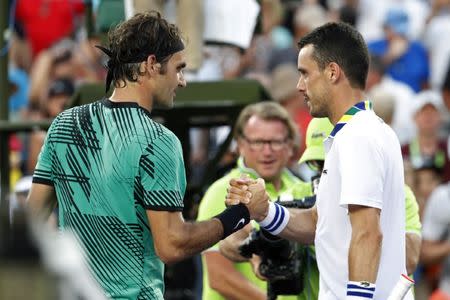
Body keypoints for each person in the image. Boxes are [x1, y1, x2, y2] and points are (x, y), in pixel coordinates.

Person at [26, 11, 257, 299]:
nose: (182, 81)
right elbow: (172, 244)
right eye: (178, 68)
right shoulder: (158, 142)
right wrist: (240, 214)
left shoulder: (64, 124)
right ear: (151, 64)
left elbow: (30, 222)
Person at [226, 22, 412, 299]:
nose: (299, 86)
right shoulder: (364, 132)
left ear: (332, 72)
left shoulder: (358, 136)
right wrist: (264, 211)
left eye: (305, 74)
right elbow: (318, 224)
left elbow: (367, 233)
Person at [197, 101, 317, 300]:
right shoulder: (226, 190)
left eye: (275, 142)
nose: (267, 151)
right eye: (258, 142)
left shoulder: (301, 187)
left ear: (290, 145)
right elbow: (220, 277)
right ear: (241, 145)